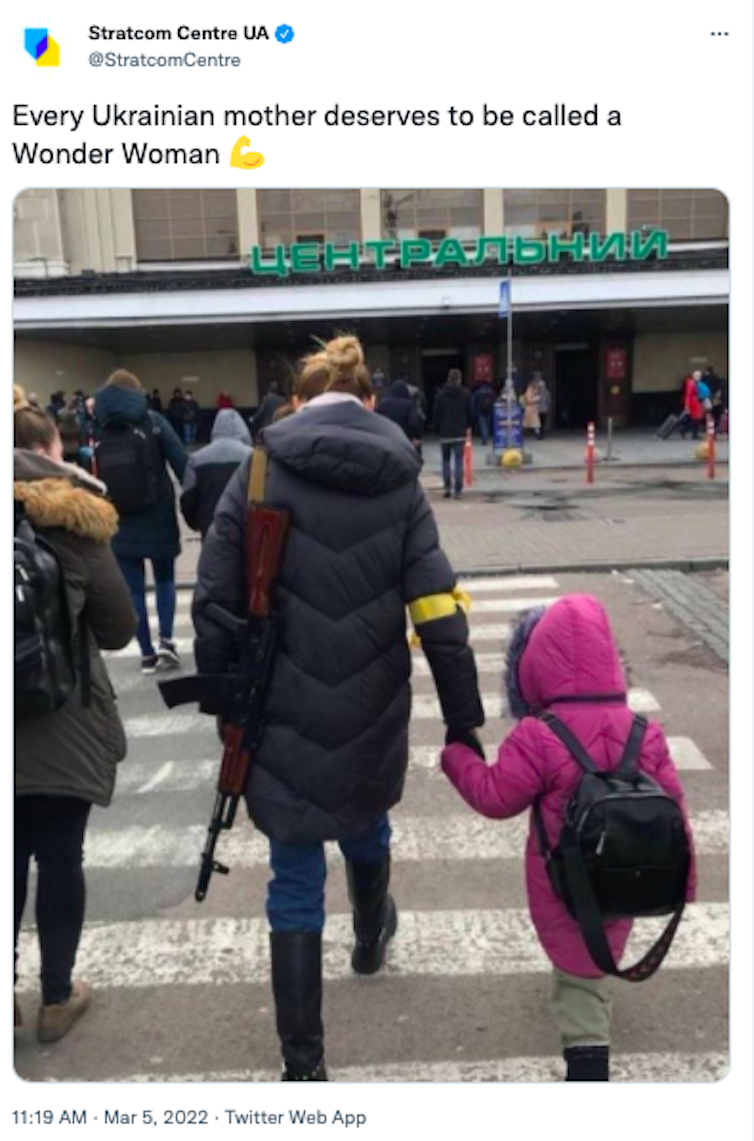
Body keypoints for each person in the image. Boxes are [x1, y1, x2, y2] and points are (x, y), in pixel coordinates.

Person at [193, 334, 483, 1081]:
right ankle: (368, 937)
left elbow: (215, 600)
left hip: (277, 706)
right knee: (365, 821)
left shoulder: (259, 469)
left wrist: (228, 709)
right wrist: (463, 719)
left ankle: (304, 1065)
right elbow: (438, 611)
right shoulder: (402, 482)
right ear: (367, 401)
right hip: (371, 700)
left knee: (292, 878)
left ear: (300, 399)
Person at [441, 595, 696, 1081]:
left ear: (535, 666)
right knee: (597, 954)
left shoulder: (540, 735)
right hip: (631, 875)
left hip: (565, 883)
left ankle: (587, 1065)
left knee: (580, 975)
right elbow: (676, 814)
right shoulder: (645, 731)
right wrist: (685, 885)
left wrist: (457, 756)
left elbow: (495, 797)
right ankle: (590, 1000)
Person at [13, 387, 136, 1041]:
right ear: (48, 449)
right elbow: (118, 629)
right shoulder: (76, 517)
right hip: (63, 721)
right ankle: (56, 998)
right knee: (60, 856)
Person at [94, 370, 187, 674]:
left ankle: (146, 654)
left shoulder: (100, 428)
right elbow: (182, 463)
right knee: (165, 580)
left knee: (134, 590)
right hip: (158, 512)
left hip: (119, 517)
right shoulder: (154, 422)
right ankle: (167, 643)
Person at [180, 409, 252, 540]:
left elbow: (188, 499)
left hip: (210, 527)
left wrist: (197, 523)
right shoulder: (253, 456)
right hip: (245, 527)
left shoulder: (196, 459)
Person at [433, 368, 474, 499]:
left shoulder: (440, 395)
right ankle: (458, 489)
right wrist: (469, 426)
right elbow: (470, 412)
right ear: (459, 379)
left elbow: (436, 414)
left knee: (445, 460)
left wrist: (437, 428)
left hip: (445, 433)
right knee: (458, 461)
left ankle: (447, 487)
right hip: (460, 432)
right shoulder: (466, 394)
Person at [375, 379, 424, 449]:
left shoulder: (382, 404)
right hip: (405, 438)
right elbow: (414, 422)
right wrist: (417, 436)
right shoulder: (408, 404)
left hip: (387, 438)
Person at [680, 371, 704, 440]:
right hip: (693, 402)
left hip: (694, 402)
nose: (699, 377)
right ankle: (690, 432)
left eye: (700, 376)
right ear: (694, 376)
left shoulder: (692, 383)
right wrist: (687, 405)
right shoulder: (691, 383)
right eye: (698, 376)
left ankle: (691, 432)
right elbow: (688, 395)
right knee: (696, 418)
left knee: (695, 419)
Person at [472, 381, 496, 446]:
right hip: (489, 411)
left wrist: (474, 411)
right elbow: (495, 401)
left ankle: (484, 439)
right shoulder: (491, 392)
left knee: (483, 425)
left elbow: (474, 401)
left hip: (481, 411)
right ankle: (486, 436)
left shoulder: (478, 392)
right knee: (487, 425)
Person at [533, 374, 551, 438]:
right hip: (544, 409)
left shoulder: (537, 392)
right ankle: (542, 434)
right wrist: (548, 408)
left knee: (538, 423)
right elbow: (548, 401)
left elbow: (534, 400)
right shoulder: (547, 392)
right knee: (543, 423)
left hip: (538, 409)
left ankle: (538, 434)